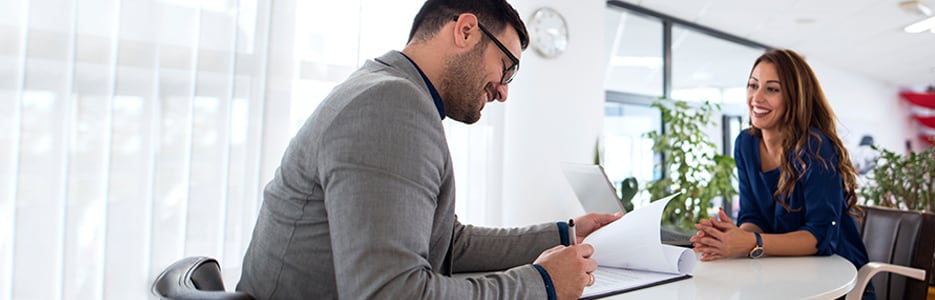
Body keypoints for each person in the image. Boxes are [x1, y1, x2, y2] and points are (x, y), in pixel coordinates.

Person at [235, 0, 621, 299]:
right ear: (466, 31)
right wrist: (542, 284)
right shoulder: (390, 104)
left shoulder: (386, 89)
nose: (503, 92)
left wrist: (566, 235)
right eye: (506, 68)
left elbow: (449, 242)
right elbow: (390, 292)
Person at [689, 49, 874, 299]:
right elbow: (753, 214)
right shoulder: (745, 143)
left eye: (772, 89)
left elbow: (820, 237)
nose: (757, 97)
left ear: (794, 97)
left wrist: (750, 242)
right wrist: (734, 238)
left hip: (838, 281)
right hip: (781, 271)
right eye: (753, 85)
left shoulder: (814, 147)